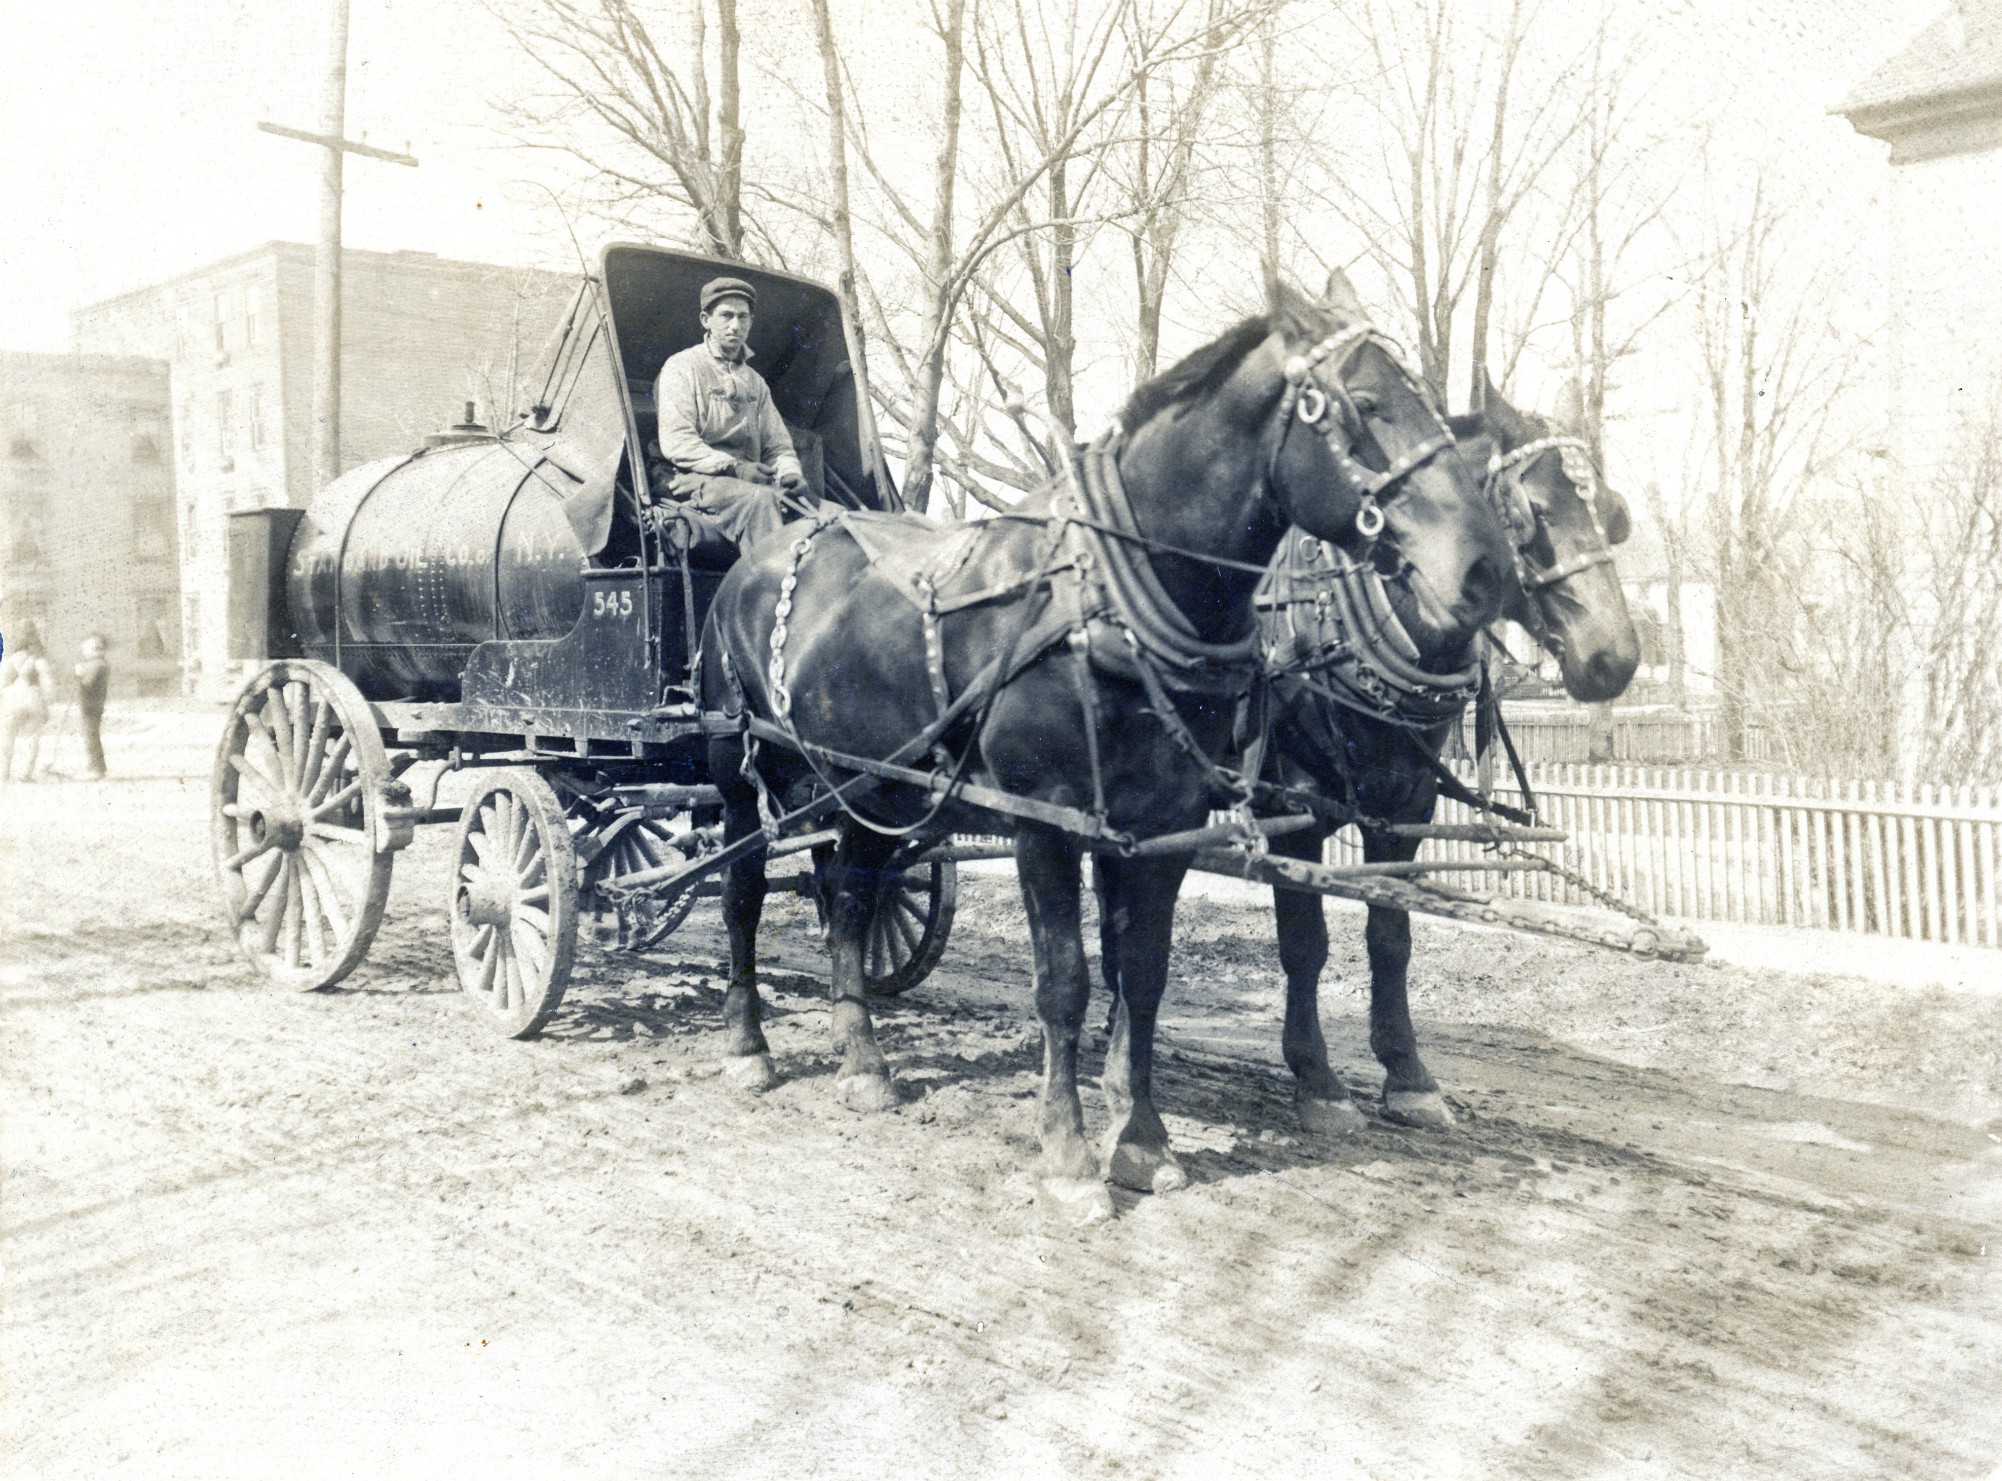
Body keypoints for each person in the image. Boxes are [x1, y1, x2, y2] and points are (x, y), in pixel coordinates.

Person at [650, 276, 811, 553]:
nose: (735, 325)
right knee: (762, 503)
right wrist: (735, 467)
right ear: (706, 320)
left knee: (831, 515)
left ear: (750, 322)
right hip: (690, 480)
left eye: (743, 317)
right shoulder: (681, 367)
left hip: (748, 483)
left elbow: (777, 446)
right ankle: (771, 581)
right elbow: (677, 442)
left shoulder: (755, 382)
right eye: (726, 315)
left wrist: (789, 473)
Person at [0, 630, 54, 784]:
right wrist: (47, 704)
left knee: (6, 737)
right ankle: (26, 773)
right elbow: (48, 686)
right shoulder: (39, 662)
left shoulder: (9, 661)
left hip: (11, 699)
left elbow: (1, 682)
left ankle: (3, 772)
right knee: (31, 737)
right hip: (34, 699)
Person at [74, 633, 110, 780]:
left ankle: (97, 769)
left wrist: (79, 674)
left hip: (90, 705)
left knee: (91, 737)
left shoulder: (97, 665)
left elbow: (87, 684)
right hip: (93, 704)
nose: (84, 652)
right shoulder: (99, 663)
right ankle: (95, 767)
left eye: (86, 649)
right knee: (91, 735)